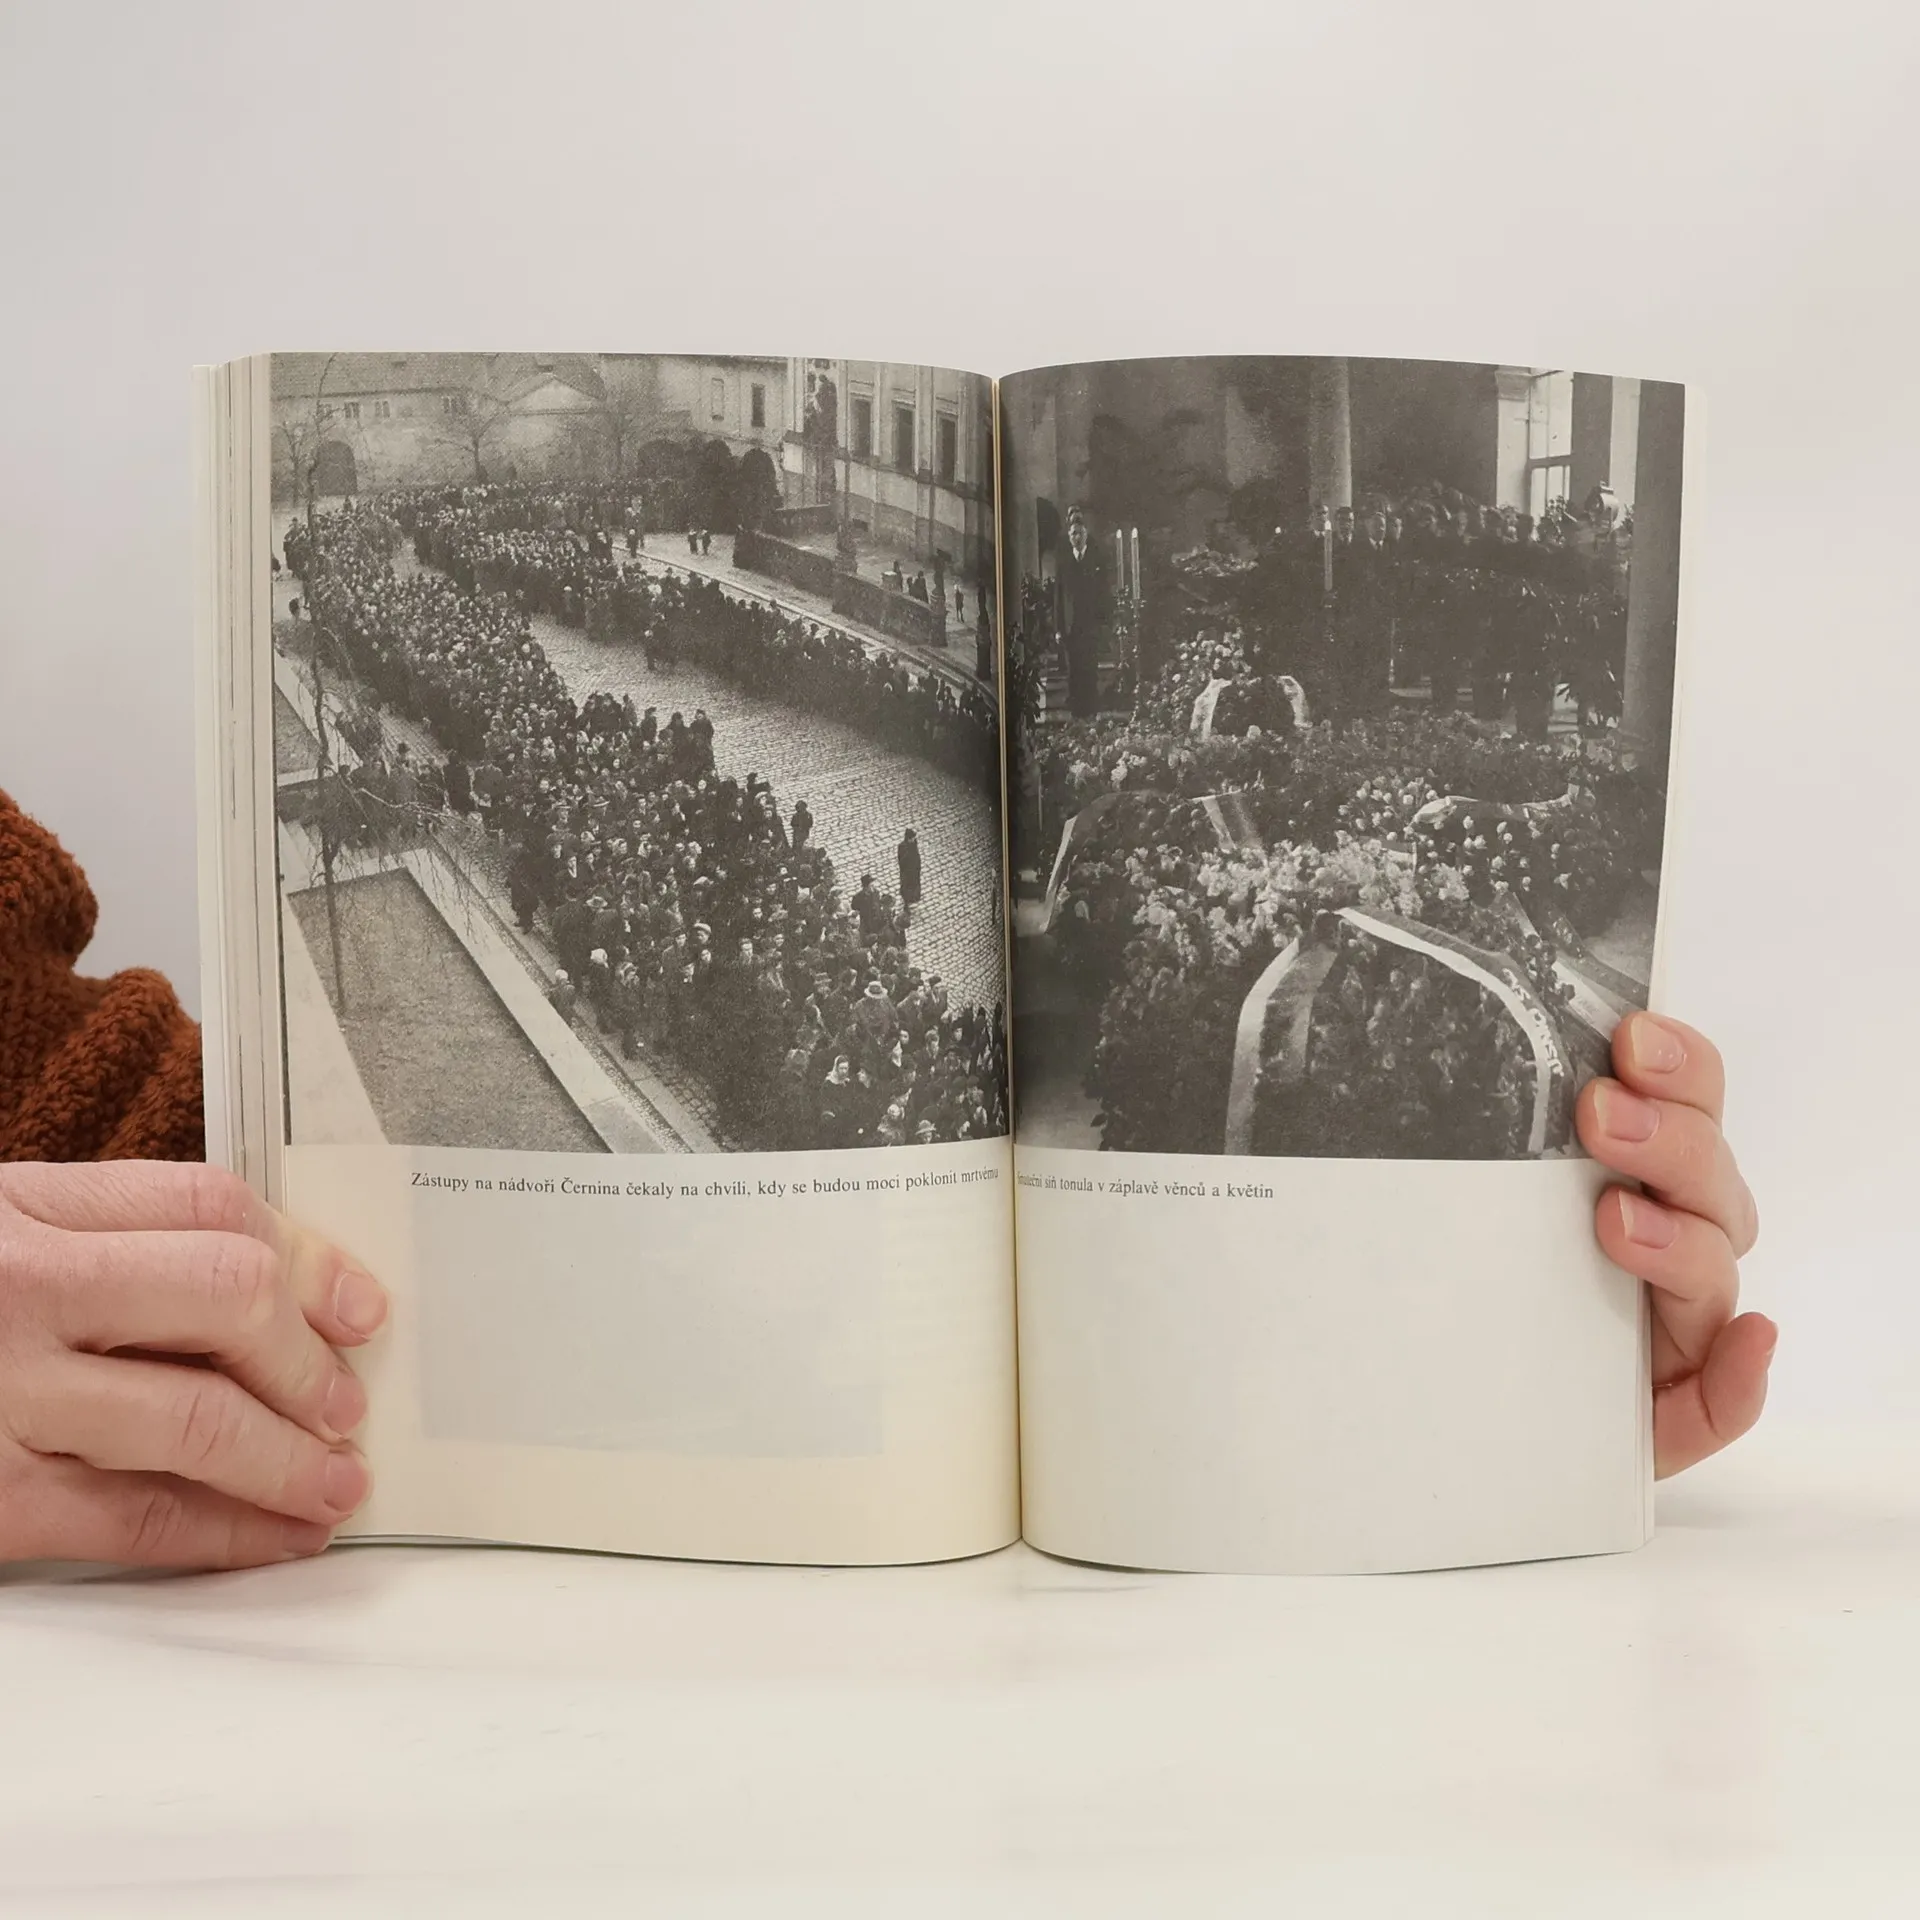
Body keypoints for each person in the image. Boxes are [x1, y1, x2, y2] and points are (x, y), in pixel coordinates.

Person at [896, 827, 922, 920]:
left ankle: (913, 898)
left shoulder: (914, 843)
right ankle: (906, 904)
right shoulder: (902, 846)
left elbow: (916, 854)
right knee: (906, 887)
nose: (914, 839)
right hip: (907, 872)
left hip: (914, 870)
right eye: (912, 838)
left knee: (914, 885)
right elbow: (901, 860)